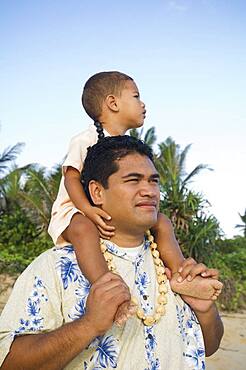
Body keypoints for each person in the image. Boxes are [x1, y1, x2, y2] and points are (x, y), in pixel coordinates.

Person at [0, 136, 224, 369]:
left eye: (154, 181)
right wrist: (88, 325)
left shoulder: (172, 266)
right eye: (133, 180)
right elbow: (9, 363)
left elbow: (209, 345)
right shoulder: (55, 266)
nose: (149, 191)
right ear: (97, 192)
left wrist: (205, 310)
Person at [47, 71, 222, 324]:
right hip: (74, 210)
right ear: (112, 103)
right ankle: (109, 291)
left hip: (107, 210)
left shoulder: (129, 146)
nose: (143, 103)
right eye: (136, 96)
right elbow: (71, 178)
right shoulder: (84, 140)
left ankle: (183, 277)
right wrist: (87, 209)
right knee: (84, 229)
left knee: (161, 222)